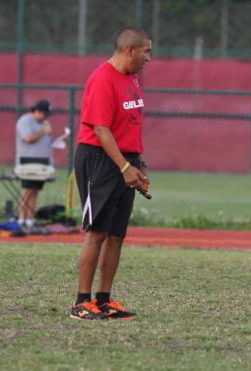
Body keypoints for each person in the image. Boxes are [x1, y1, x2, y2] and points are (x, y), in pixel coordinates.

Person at [70, 26, 151, 320]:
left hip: (125, 160)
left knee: (116, 235)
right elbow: (101, 130)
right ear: (129, 50)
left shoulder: (133, 79)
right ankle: (81, 302)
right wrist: (124, 167)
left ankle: (104, 300)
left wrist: (138, 164)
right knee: (97, 233)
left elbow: (130, 124)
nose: (149, 58)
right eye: (146, 51)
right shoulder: (103, 78)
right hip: (100, 159)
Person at [15, 99, 54, 230]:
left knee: (35, 191)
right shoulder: (24, 121)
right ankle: (21, 220)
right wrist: (44, 131)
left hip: (42, 165)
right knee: (26, 192)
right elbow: (28, 138)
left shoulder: (44, 123)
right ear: (36, 111)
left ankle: (30, 220)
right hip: (27, 164)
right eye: (44, 114)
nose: (45, 117)